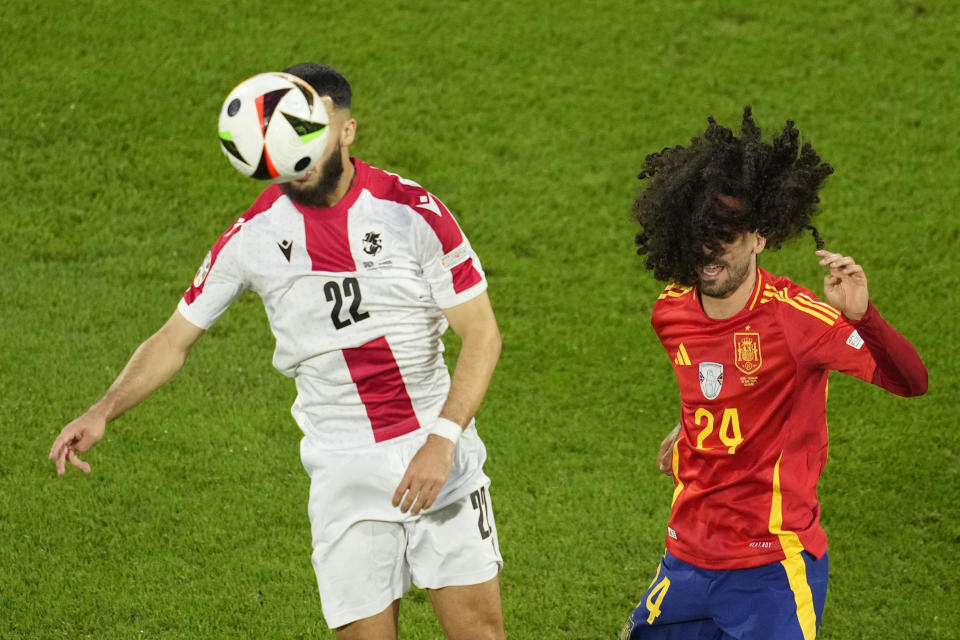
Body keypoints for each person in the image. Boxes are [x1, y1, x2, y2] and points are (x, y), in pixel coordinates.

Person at [49, 62, 506, 640]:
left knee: (478, 635)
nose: (297, 152)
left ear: (345, 131)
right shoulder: (254, 235)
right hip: (342, 466)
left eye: (309, 132)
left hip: (435, 444)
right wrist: (102, 409)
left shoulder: (412, 212)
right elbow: (173, 338)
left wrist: (443, 441)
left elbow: (482, 334)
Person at [619, 107, 927, 640]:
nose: (708, 254)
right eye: (699, 235)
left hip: (770, 567)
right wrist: (690, 424)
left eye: (727, 237)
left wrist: (863, 318)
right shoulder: (670, 311)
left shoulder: (799, 320)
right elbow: (713, 383)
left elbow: (910, 381)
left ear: (759, 238)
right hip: (686, 555)